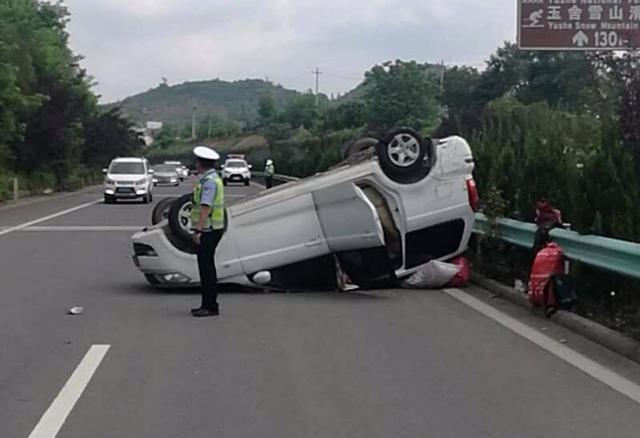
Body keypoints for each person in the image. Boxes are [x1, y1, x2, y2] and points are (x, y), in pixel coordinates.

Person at [190, 146, 225, 318]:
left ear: (201, 164)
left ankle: (210, 306)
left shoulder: (209, 182)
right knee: (207, 268)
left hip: (208, 229)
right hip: (212, 229)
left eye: (197, 162)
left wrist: (198, 230)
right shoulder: (211, 179)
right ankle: (208, 304)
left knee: (206, 269)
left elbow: (205, 207)